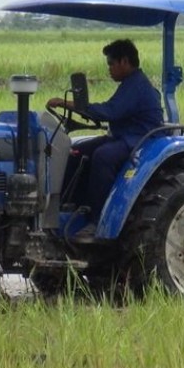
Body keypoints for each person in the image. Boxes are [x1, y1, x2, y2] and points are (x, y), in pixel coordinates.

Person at [45, 39, 163, 241]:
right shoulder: (130, 83)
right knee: (76, 150)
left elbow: (110, 111)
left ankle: (97, 218)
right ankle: (68, 205)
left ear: (124, 62)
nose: (109, 69)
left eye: (111, 63)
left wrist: (68, 103)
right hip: (124, 135)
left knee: (103, 156)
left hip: (139, 139)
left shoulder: (137, 86)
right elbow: (110, 110)